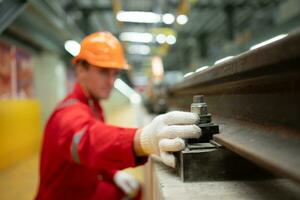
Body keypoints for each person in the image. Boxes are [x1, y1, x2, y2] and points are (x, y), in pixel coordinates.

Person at [35, 32, 201, 200]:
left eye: (115, 74)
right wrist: (141, 139)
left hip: (84, 190)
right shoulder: (67, 114)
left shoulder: (94, 107)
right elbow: (90, 141)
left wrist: (113, 174)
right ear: (80, 69)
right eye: (103, 72)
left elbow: (92, 156)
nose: (111, 81)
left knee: (135, 191)